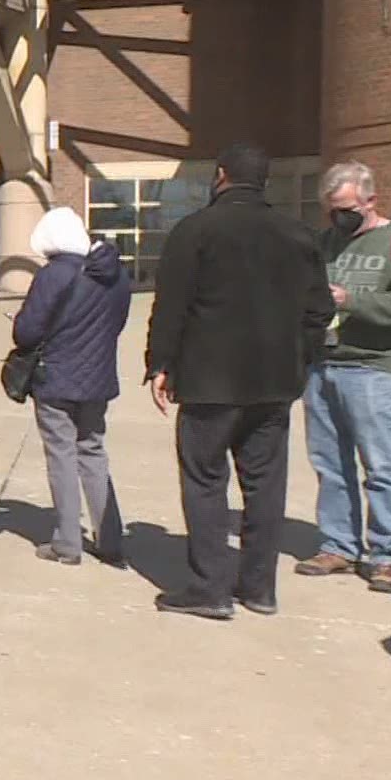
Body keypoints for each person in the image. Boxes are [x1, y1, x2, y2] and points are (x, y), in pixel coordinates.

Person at [146, 143, 335, 619]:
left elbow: (171, 306)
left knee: (206, 481)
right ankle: (259, 588)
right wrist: (301, 359)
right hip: (274, 384)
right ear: (264, 181)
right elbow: (320, 310)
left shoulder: (196, 230)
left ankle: (210, 589)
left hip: (209, 382)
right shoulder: (298, 234)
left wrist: (160, 363)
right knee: (265, 485)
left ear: (221, 175)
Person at [297, 160, 391, 597]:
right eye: (332, 209)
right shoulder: (324, 243)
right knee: (329, 464)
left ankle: (386, 555)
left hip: (372, 367)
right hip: (322, 365)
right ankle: (338, 545)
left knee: (380, 466)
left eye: (346, 208)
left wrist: (351, 300)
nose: (339, 217)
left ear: (370, 200)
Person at [12, 207, 132, 567]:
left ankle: (67, 542)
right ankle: (110, 537)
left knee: (62, 455)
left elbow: (27, 331)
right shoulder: (116, 275)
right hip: (97, 377)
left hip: (56, 377)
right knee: (93, 452)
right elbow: (117, 321)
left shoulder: (54, 274)